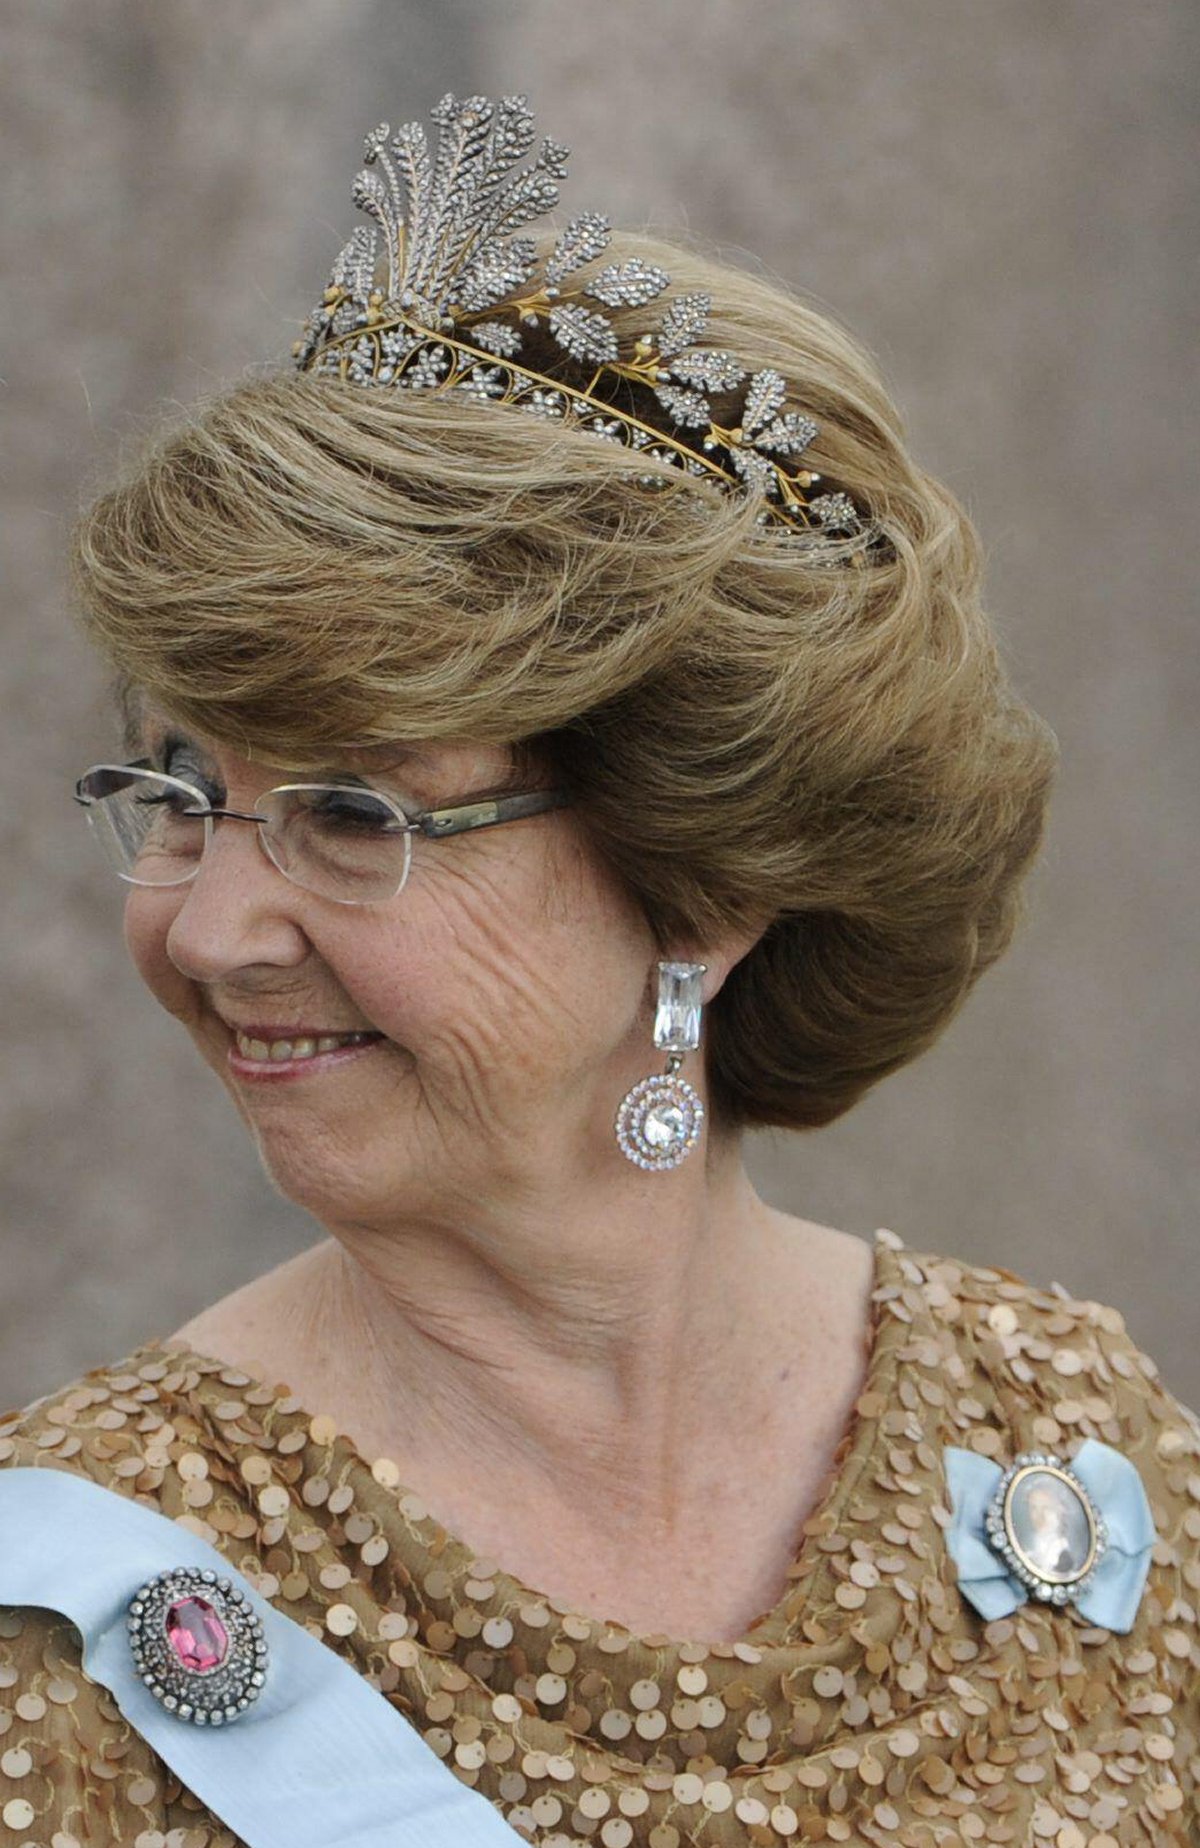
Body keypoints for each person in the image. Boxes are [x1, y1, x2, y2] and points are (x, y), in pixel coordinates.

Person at [1, 91, 1196, 1848]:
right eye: (183, 797)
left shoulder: (1064, 1438)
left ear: (704, 883)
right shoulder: (74, 1628)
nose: (209, 929)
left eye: (349, 813)